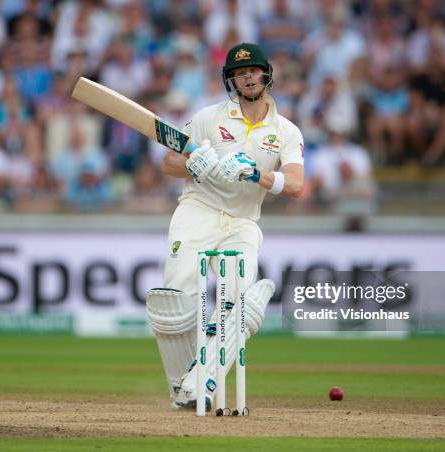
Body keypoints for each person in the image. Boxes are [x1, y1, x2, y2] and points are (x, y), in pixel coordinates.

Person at [145, 43, 305, 410]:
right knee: (176, 299)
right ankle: (183, 386)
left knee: (239, 303)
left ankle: (198, 380)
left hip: (243, 222)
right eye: (239, 73)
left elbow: (296, 185)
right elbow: (170, 163)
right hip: (198, 210)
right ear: (231, 79)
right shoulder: (207, 117)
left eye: (253, 72)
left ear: (266, 75)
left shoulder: (286, 131)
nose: (247, 78)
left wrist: (256, 174)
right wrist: (195, 165)